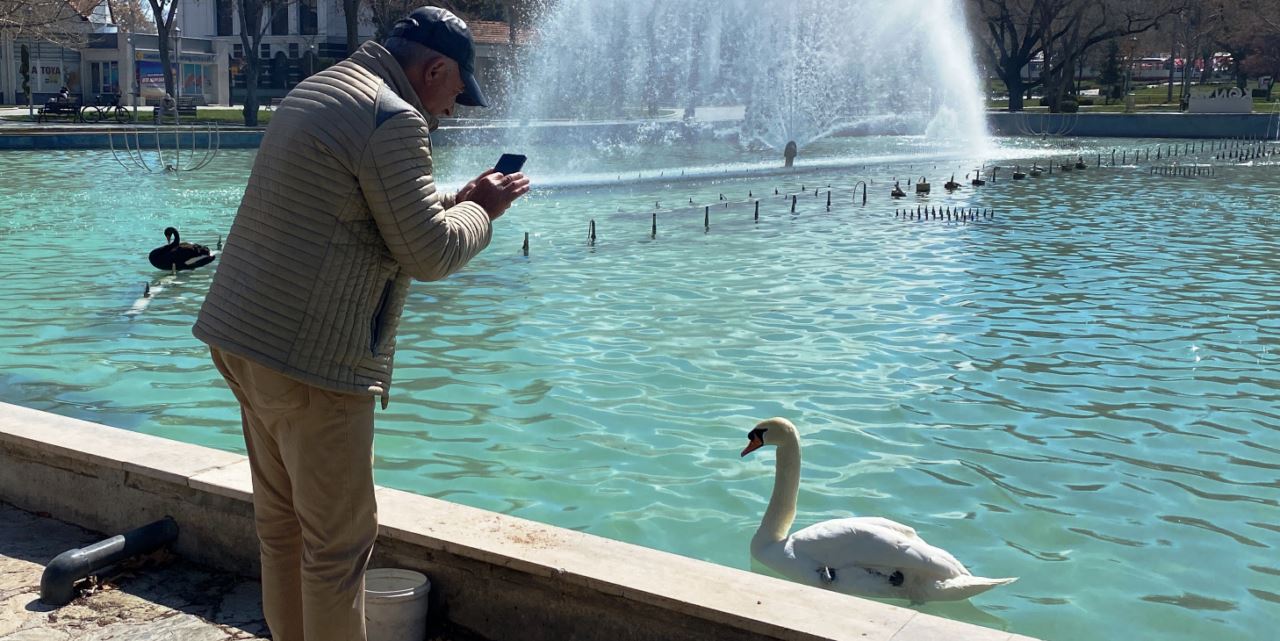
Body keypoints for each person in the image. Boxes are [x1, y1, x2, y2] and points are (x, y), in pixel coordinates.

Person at [191, 6, 528, 641]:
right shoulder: (394, 119)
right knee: (338, 551)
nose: (451, 111)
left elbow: (378, 215)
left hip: (243, 339)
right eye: (455, 93)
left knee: (283, 529)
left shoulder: (322, 88)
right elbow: (429, 254)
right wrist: (485, 211)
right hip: (315, 361)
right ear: (433, 69)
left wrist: (460, 198)